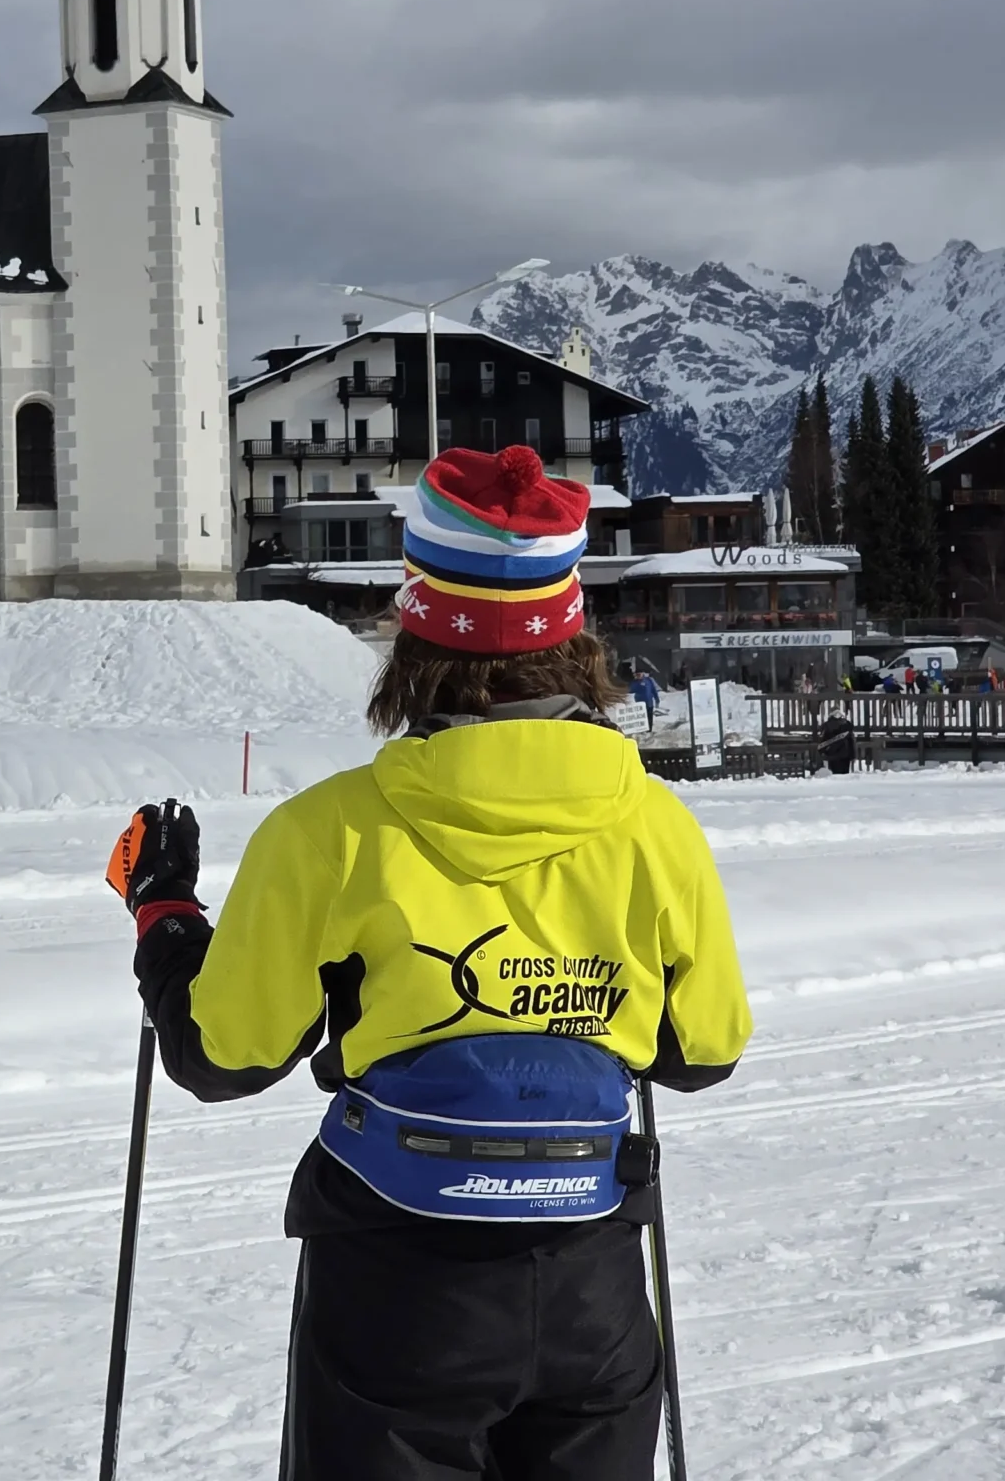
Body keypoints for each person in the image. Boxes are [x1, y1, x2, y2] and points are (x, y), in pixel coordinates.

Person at [110, 446, 751, 1480]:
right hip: (591, 1279)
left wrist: (164, 911)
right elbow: (702, 1050)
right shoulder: (654, 827)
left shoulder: (329, 831)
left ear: (414, 633)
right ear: (571, 634)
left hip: (396, 1284)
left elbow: (224, 1054)